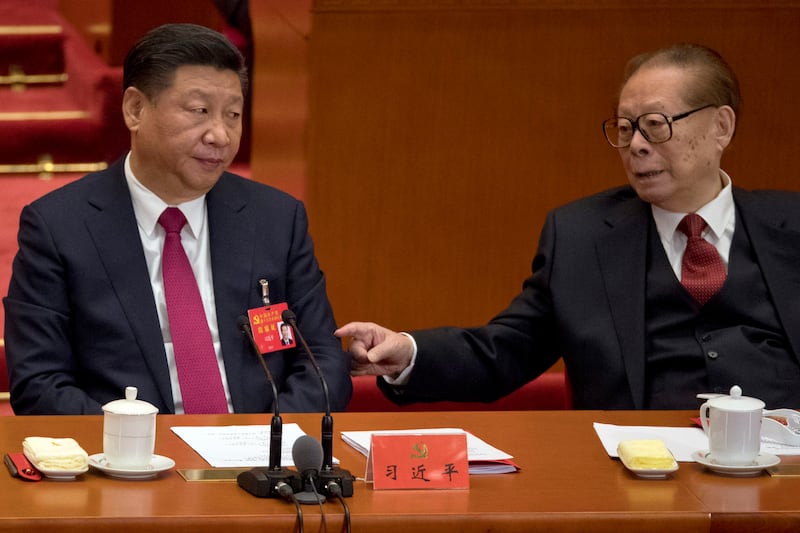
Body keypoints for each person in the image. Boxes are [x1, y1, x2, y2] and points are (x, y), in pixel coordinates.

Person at [336, 43, 800, 410]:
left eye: (655, 125)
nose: (636, 145)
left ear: (721, 126)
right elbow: (510, 349)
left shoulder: (791, 227)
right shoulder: (583, 237)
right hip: (639, 471)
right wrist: (409, 352)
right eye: (625, 128)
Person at [3, 23, 351, 415]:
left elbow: (322, 359)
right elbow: (39, 383)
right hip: (127, 448)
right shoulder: (59, 227)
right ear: (135, 109)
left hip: (260, 444)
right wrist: (136, 443)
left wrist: (265, 439)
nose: (220, 135)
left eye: (233, 115)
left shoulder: (276, 219)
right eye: (199, 111)